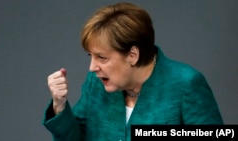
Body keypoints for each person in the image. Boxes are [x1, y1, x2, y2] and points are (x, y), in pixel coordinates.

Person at [42, 2, 223, 141]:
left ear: (133, 55)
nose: (92, 67)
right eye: (90, 56)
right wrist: (60, 106)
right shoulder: (96, 83)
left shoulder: (186, 84)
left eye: (102, 57)